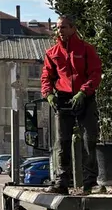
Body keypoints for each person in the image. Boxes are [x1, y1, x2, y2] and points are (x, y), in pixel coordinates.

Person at [40, 14, 102, 194]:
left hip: (85, 98)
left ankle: (91, 182)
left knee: (89, 139)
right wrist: (48, 94)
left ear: (73, 28)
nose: (61, 30)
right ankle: (61, 183)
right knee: (62, 141)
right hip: (63, 99)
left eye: (64, 27)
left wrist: (84, 91)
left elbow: (95, 73)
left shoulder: (86, 49)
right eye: (59, 27)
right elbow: (47, 76)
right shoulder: (52, 53)